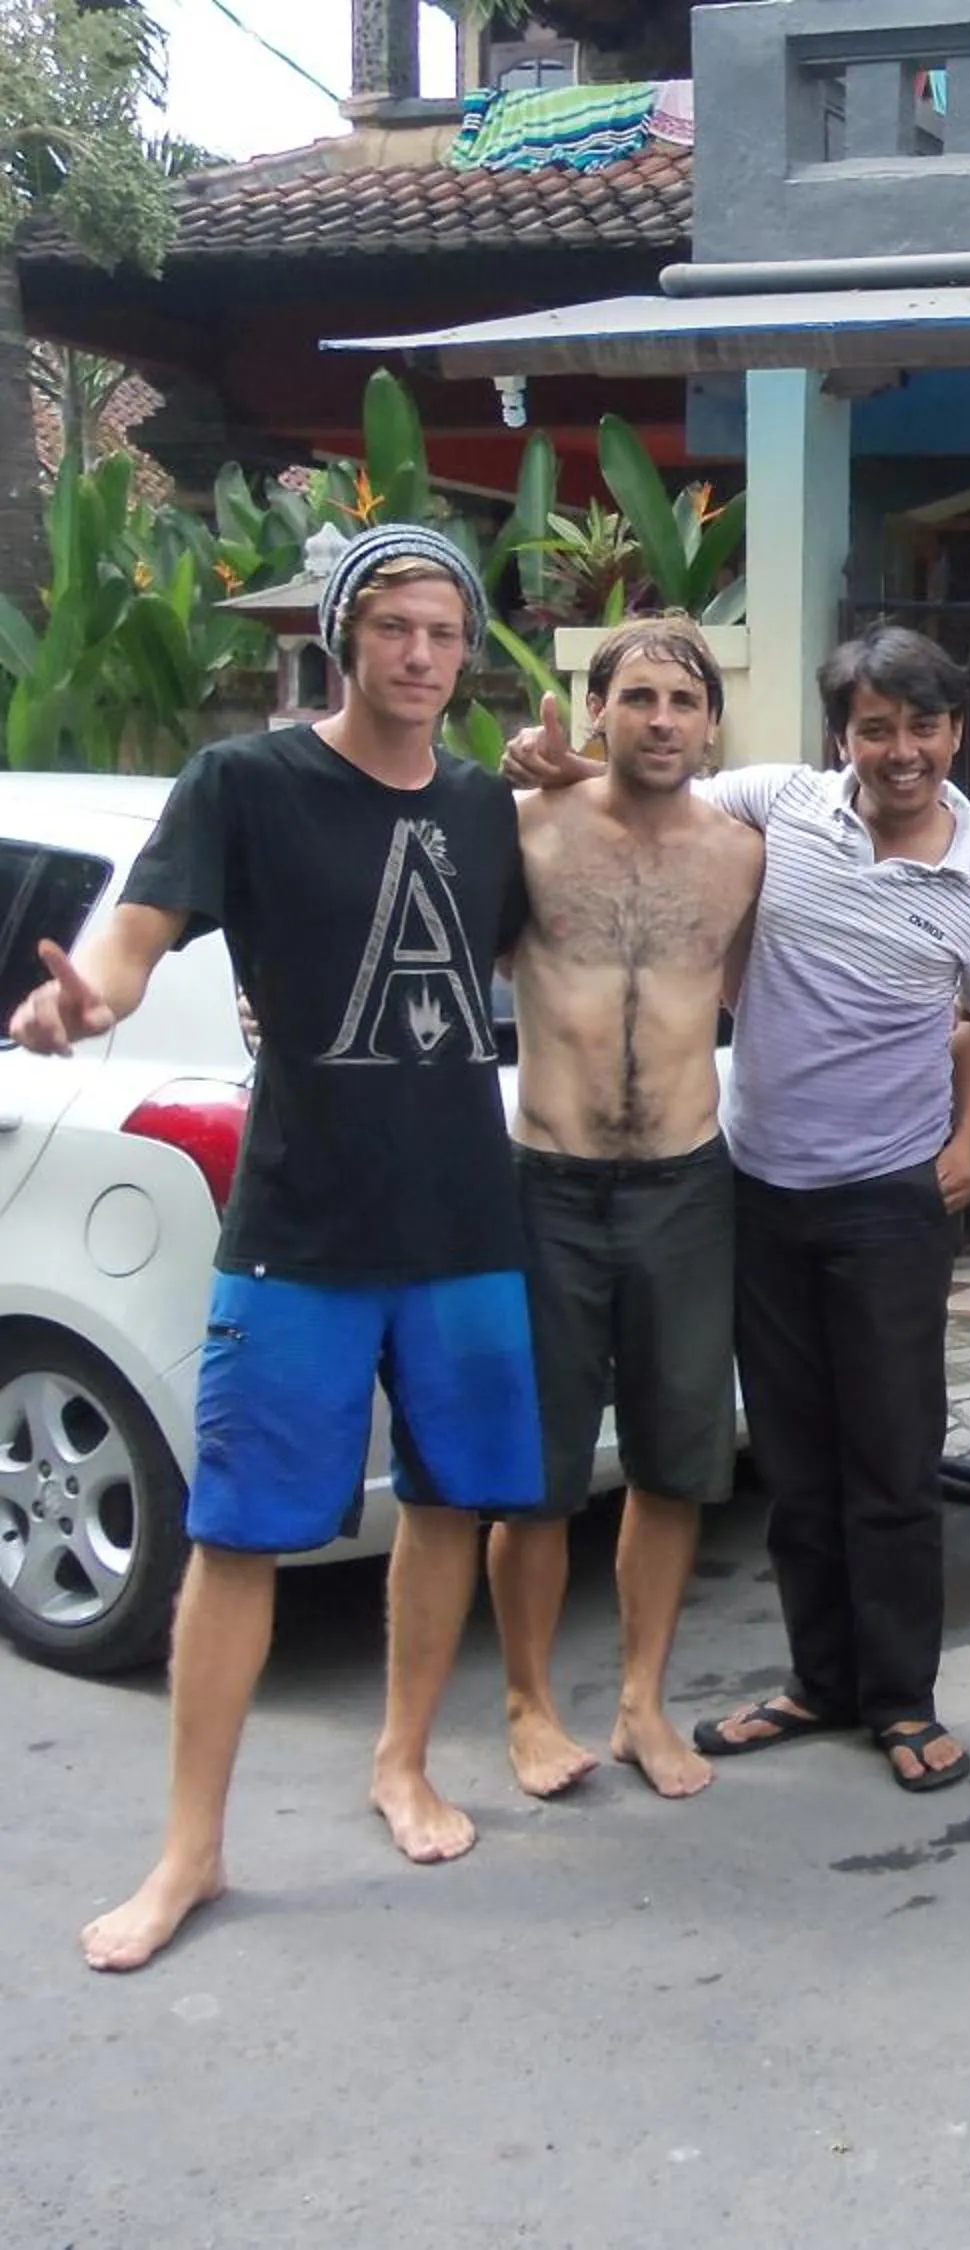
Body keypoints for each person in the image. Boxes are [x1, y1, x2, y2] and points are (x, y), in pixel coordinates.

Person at [16, 526, 544, 1971]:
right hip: (299, 1227)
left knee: (453, 1503)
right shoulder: (244, 783)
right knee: (239, 1532)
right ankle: (190, 1846)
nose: (421, 656)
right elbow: (132, 936)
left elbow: (518, 951)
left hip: (464, 1224)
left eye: (444, 631)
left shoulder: (489, 806)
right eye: (393, 629)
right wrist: (90, 1000)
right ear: (342, 635)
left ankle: (404, 1758)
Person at [510, 624, 970, 1793]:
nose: (901, 753)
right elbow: (653, 791)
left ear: (957, 734)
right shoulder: (781, 802)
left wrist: (965, 1143)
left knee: (893, 1458)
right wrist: (556, 769)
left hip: (890, 1199)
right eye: (876, 729)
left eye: (923, 728)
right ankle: (819, 1680)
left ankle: (901, 1697)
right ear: (841, 736)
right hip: (754, 1185)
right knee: (793, 1456)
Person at [481, 619, 764, 1802]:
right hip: (547, 1182)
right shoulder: (525, 830)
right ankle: (529, 1705)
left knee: (672, 1460)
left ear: (710, 721)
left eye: (682, 701)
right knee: (538, 1472)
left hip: (687, 1183)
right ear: (592, 708)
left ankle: (645, 1703)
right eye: (636, 697)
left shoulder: (745, 850)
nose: (660, 720)